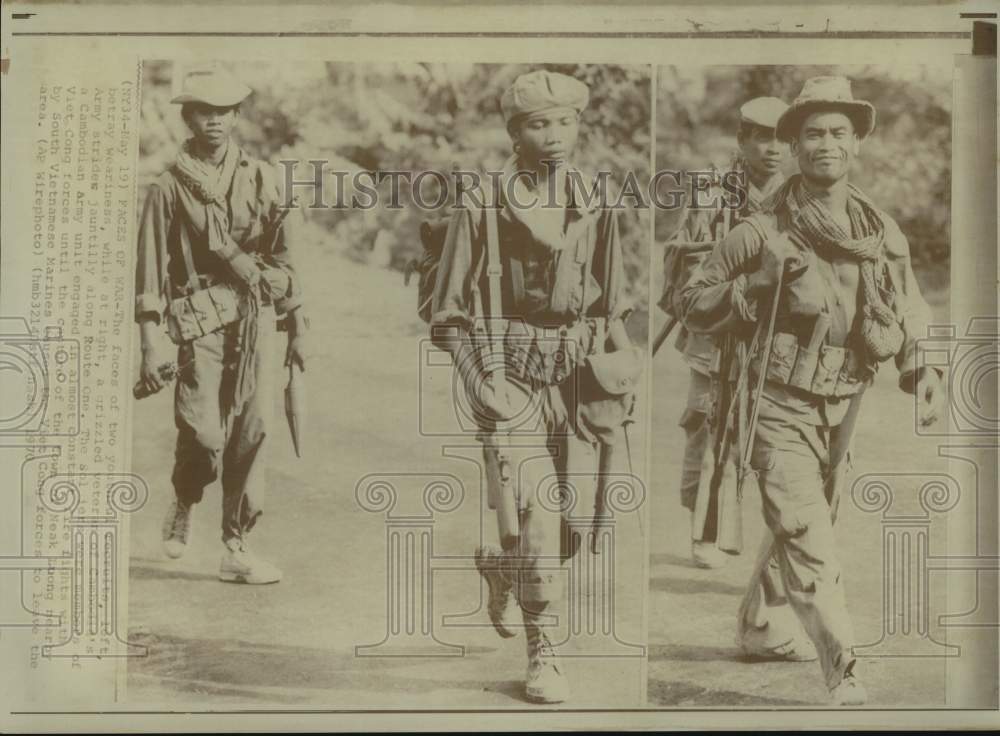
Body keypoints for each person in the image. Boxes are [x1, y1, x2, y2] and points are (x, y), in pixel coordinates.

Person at [680, 76, 944, 704]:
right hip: (776, 398)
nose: (825, 143)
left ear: (856, 144)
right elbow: (693, 301)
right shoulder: (760, 229)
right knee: (805, 528)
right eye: (812, 134)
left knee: (807, 519)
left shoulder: (880, 229)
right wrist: (758, 286)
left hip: (846, 396)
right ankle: (843, 668)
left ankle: (755, 625)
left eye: (838, 133)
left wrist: (924, 370)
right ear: (794, 145)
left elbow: (908, 306)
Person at [430, 70, 637, 703]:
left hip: (576, 382)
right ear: (514, 132)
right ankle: (544, 650)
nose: (555, 136)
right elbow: (447, 319)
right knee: (541, 525)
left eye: (567, 122)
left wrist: (620, 361)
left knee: (570, 530)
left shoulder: (595, 201)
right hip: (508, 378)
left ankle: (501, 566)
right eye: (538, 124)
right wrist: (480, 382)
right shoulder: (481, 205)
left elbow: (611, 305)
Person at [135, 66, 308, 584]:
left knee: (253, 430)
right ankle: (186, 497)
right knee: (205, 433)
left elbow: (284, 255)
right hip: (196, 319)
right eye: (203, 112)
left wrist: (297, 325)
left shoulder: (260, 178)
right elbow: (149, 272)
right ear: (189, 119)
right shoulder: (168, 187)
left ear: (236, 117)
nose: (213, 122)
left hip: (252, 315)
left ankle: (237, 543)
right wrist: (150, 341)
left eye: (223, 111)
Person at [659, 97, 789, 568]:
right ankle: (705, 531)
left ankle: (776, 535)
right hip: (716, 328)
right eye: (761, 137)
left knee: (767, 431)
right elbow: (685, 262)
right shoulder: (714, 193)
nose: (772, 149)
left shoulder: (797, 193)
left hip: (776, 332)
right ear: (743, 141)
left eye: (781, 139)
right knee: (707, 425)